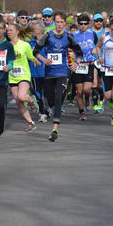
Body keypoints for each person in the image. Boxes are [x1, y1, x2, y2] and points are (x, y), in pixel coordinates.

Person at [33, 11, 81, 142]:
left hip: (62, 71)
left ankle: (54, 129)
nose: (59, 25)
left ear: (65, 24)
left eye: (61, 22)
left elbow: (79, 52)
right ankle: (51, 107)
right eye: (57, 22)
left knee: (59, 98)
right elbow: (35, 51)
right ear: (54, 22)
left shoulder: (68, 37)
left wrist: (76, 64)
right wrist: (44, 60)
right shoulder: (48, 36)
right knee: (51, 99)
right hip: (49, 73)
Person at [7, 23, 40, 132]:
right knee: (18, 101)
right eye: (8, 30)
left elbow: (30, 56)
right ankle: (31, 123)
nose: (9, 32)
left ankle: (31, 99)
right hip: (12, 76)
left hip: (24, 75)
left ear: (17, 32)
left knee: (21, 96)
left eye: (11, 30)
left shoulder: (25, 45)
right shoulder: (6, 46)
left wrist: (35, 60)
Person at [72, 14, 98, 121]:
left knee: (87, 89)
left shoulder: (92, 34)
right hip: (78, 65)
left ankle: (88, 98)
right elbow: (69, 48)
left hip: (89, 65)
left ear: (88, 24)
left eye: (85, 24)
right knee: (79, 91)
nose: (83, 26)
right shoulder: (73, 35)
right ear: (78, 24)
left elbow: (98, 45)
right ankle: (81, 112)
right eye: (81, 24)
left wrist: (96, 50)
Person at [28, 20, 49, 123]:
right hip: (34, 72)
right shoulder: (30, 43)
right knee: (37, 93)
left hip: (46, 72)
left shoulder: (47, 42)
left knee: (48, 93)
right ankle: (42, 112)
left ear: (41, 30)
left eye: (34, 29)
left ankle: (47, 109)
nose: (33, 31)